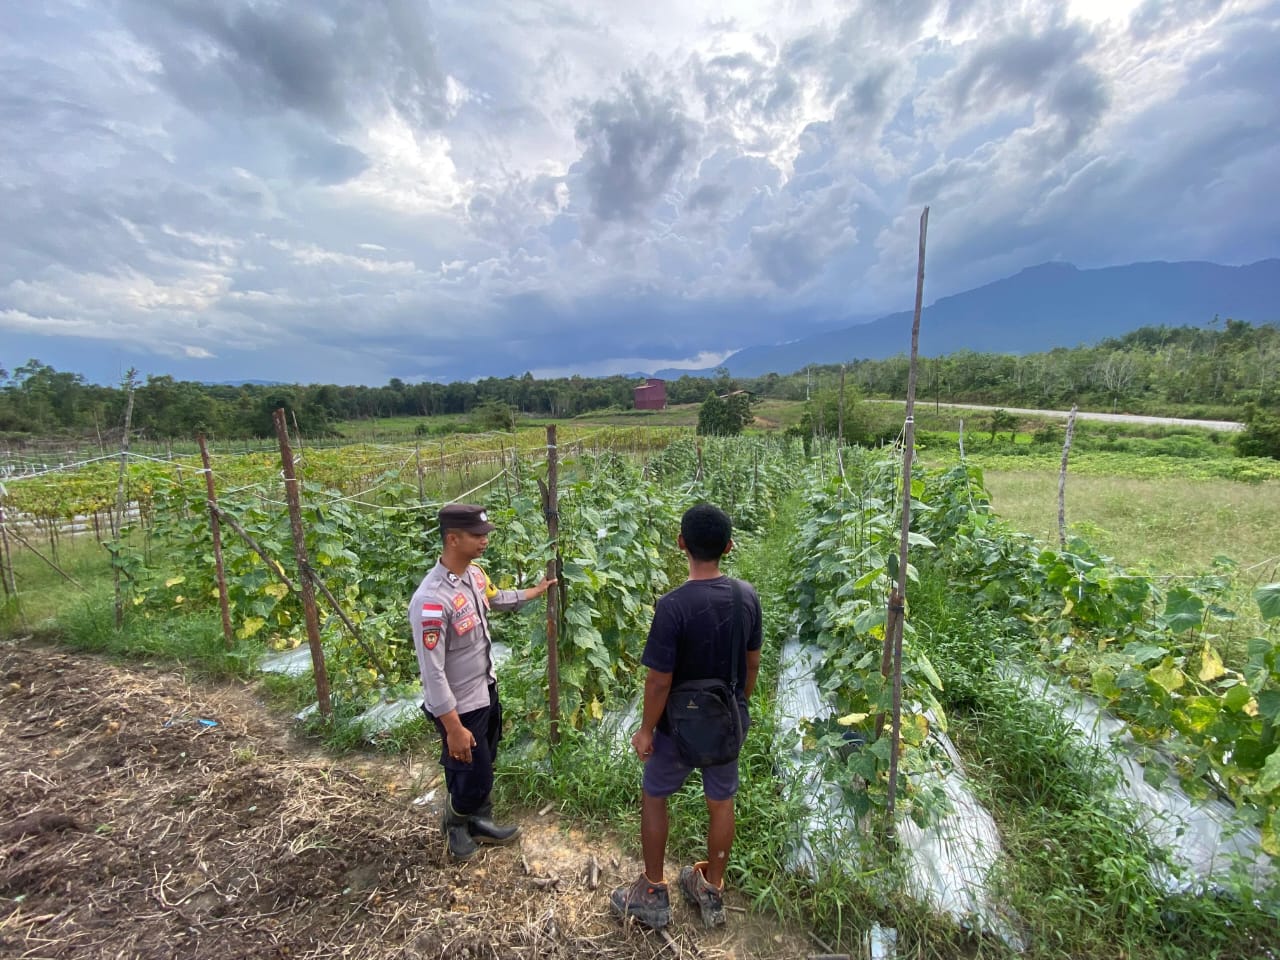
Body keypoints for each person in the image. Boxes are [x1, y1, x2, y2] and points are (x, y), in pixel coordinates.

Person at [610, 502, 763, 930]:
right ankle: (711, 888)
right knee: (721, 802)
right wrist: (739, 708)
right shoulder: (745, 596)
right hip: (726, 722)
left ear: (681, 544)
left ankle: (653, 891)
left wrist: (644, 731)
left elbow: (659, 682)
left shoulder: (672, 606)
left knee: (655, 795)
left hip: (676, 728)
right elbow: (752, 663)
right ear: (729, 547)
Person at [410, 503, 556, 861]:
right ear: (452, 538)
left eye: (485, 534)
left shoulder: (474, 575)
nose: (484, 541)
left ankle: (476, 821)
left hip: (484, 689)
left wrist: (531, 594)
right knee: (470, 770)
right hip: (457, 704)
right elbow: (432, 673)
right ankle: (454, 824)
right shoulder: (431, 600)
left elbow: (495, 598)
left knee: (481, 761)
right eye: (477, 535)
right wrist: (453, 726)